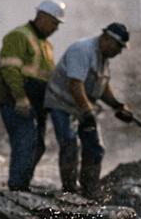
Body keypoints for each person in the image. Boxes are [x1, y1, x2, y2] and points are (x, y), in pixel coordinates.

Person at [44, 22, 133, 199]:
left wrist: (116, 104)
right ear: (106, 38)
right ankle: (70, 189)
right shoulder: (82, 50)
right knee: (70, 142)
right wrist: (88, 112)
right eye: (119, 47)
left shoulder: (103, 57)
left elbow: (102, 86)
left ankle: (89, 188)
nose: (119, 52)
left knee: (95, 147)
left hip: (80, 106)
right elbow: (76, 85)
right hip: (61, 103)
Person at [0, 0, 64, 191]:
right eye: (54, 23)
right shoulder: (19, 36)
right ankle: (17, 187)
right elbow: (9, 68)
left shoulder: (46, 45)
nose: (56, 28)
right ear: (41, 17)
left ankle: (22, 183)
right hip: (17, 101)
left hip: (37, 103)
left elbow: (47, 76)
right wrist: (20, 96)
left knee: (37, 145)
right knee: (26, 140)